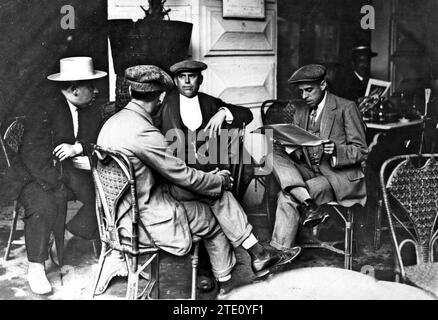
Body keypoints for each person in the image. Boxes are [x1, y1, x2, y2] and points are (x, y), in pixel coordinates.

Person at [96, 65, 299, 297]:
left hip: (121, 216)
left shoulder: (114, 122)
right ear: (161, 96)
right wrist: (218, 180)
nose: (187, 82)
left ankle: (257, 254)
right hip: (145, 219)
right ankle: (229, 281)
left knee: (212, 194)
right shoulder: (143, 131)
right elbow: (182, 174)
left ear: (133, 92)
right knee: (215, 212)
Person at [154, 59, 256, 292]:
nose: (188, 81)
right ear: (176, 80)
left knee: (214, 200)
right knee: (218, 195)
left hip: (204, 179)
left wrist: (224, 112)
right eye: (182, 77)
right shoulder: (164, 105)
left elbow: (246, 114)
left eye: (192, 76)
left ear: (200, 79)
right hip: (178, 181)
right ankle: (248, 255)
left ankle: (216, 276)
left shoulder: (210, 103)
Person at [17, 57, 106, 294]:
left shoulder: (89, 109)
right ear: (75, 90)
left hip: (69, 172)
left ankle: (72, 230)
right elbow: (31, 154)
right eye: (91, 85)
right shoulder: (44, 110)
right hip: (37, 176)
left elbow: (96, 138)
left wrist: (78, 148)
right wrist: (53, 183)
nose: (96, 90)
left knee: (104, 193)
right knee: (43, 203)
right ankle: (36, 266)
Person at [267, 64, 368, 254]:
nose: (304, 96)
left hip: (336, 175)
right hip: (309, 170)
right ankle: (309, 204)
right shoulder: (301, 110)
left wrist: (337, 150)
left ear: (323, 85)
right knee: (271, 154)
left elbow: (361, 150)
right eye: (301, 91)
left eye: (308, 90)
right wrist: (289, 144)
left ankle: (282, 252)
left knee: (286, 196)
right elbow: (298, 151)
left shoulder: (346, 107)